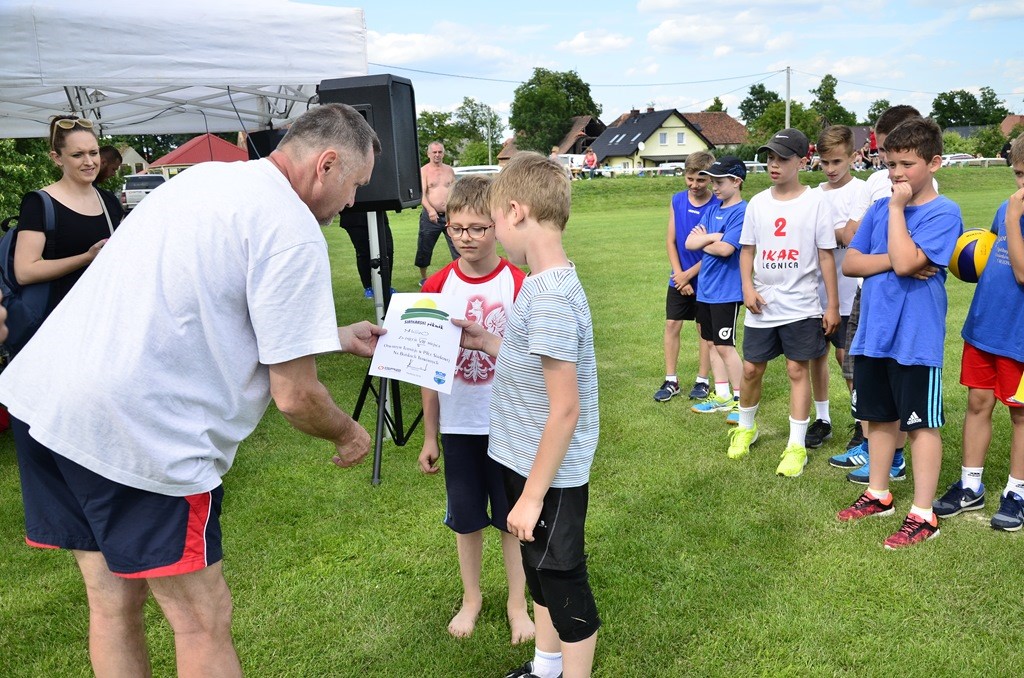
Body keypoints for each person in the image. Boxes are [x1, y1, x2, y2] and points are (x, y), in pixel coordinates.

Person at [0, 103, 385, 675]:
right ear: (326, 164)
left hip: (44, 400)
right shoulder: (291, 227)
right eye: (355, 185)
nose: (352, 202)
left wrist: (330, 334)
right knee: (201, 619)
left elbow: (203, 305)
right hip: (136, 430)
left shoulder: (205, 181)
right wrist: (349, 433)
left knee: (110, 603)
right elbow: (296, 396)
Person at [454, 152, 600, 678]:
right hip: (524, 457)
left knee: (562, 580)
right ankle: (545, 668)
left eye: (493, 222)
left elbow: (565, 408)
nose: (494, 234)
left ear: (515, 212)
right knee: (539, 572)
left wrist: (535, 494)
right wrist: (489, 341)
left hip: (551, 474)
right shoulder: (539, 286)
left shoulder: (553, 295)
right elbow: (532, 362)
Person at [836, 117, 963, 549]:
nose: (896, 175)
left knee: (921, 423)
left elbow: (911, 263)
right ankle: (879, 493)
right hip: (875, 331)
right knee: (878, 416)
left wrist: (895, 215)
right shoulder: (878, 208)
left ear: (935, 163)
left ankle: (923, 514)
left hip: (915, 336)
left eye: (907, 164)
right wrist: (896, 255)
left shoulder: (944, 212)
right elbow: (852, 264)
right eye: (890, 164)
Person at [416, 174, 533, 642]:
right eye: (456, 228)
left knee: (511, 519)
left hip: (508, 425)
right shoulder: (437, 285)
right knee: (466, 518)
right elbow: (427, 367)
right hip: (459, 425)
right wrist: (430, 435)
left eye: (478, 228)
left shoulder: (519, 283)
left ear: (498, 227)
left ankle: (517, 603)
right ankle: (472, 597)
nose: (466, 238)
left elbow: (532, 362)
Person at [726, 128, 840, 477]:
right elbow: (747, 251)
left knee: (796, 370)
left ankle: (796, 446)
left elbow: (825, 257)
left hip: (802, 304)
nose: (773, 165)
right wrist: (747, 288)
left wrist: (832, 305)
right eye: (770, 158)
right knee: (750, 369)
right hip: (762, 304)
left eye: (782, 158)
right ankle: (747, 428)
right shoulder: (758, 202)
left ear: (801, 161)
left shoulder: (816, 201)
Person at [828, 105, 926, 478]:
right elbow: (855, 245)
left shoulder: (926, 193)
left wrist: (898, 257)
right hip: (867, 291)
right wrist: (897, 258)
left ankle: (892, 456)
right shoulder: (875, 183)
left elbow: (917, 257)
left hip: (903, 300)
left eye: (897, 154)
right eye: (885, 153)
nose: (891, 164)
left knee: (896, 375)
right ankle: (869, 443)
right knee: (857, 369)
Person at [933, 135, 1024, 530]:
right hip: (985, 325)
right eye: (1019, 174)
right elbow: (991, 256)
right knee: (977, 404)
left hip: (1019, 336)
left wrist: (1012, 220)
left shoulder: (1012, 211)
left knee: (1020, 416)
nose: (1022, 184)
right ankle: (971, 486)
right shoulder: (1008, 206)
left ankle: (1017, 491)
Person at [11, 115, 122, 353]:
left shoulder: (110, 202)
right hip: (56, 328)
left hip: (104, 324)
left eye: (93, 153)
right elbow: (24, 271)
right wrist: (86, 257)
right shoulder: (39, 203)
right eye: (77, 155)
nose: (89, 162)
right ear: (56, 158)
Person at [805, 126, 871, 450]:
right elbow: (826, 237)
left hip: (847, 295)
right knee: (818, 358)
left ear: (853, 157)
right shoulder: (813, 195)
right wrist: (836, 231)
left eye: (837, 161)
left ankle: (862, 424)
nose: (830, 169)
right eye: (824, 162)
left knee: (848, 361)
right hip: (813, 295)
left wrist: (827, 234)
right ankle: (823, 419)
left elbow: (852, 237)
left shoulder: (861, 191)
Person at [684, 156, 748, 429]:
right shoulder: (713, 210)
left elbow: (726, 249)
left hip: (726, 290)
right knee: (710, 343)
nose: (714, 185)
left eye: (719, 181)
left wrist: (707, 239)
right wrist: (714, 237)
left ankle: (741, 399)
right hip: (706, 290)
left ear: (737, 182)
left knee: (724, 345)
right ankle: (721, 395)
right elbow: (689, 241)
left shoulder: (743, 212)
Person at [653, 150, 721, 403]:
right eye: (690, 178)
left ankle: (702, 381)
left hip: (706, 277)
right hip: (679, 275)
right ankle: (671, 380)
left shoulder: (718, 206)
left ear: (711, 179)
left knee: (704, 330)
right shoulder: (677, 200)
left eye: (701, 180)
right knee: (672, 324)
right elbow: (671, 241)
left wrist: (690, 274)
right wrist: (678, 275)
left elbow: (716, 249)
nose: (694, 185)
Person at [416, 141, 458, 285]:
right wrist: (431, 210)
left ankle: (460, 276)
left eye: (440, 152)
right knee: (424, 248)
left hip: (449, 216)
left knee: (458, 245)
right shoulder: (424, 171)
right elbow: (421, 194)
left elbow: (455, 191)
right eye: (434, 152)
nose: (437, 155)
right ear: (428, 154)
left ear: (443, 154)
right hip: (430, 216)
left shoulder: (449, 170)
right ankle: (424, 277)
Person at [339, 209, 394, 298]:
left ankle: (386, 285)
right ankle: (368, 287)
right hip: (354, 216)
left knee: (387, 250)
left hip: (378, 214)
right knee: (363, 253)